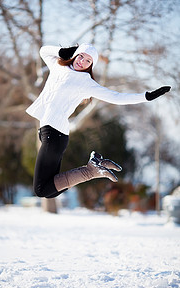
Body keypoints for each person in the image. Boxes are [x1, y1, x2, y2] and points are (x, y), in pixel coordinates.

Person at [26, 43, 171, 199]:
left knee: (42, 189)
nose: (82, 61)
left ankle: (91, 170)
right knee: (49, 190)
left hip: (54, 134)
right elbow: (43, 51)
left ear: (91, 66)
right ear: (75, 54)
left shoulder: (85, 82)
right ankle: (94, 167)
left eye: (88, 61)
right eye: (81, 56)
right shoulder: (58, 66)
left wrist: (145, 96)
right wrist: (61, 51)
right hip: (51, 133)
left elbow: (116, 97)